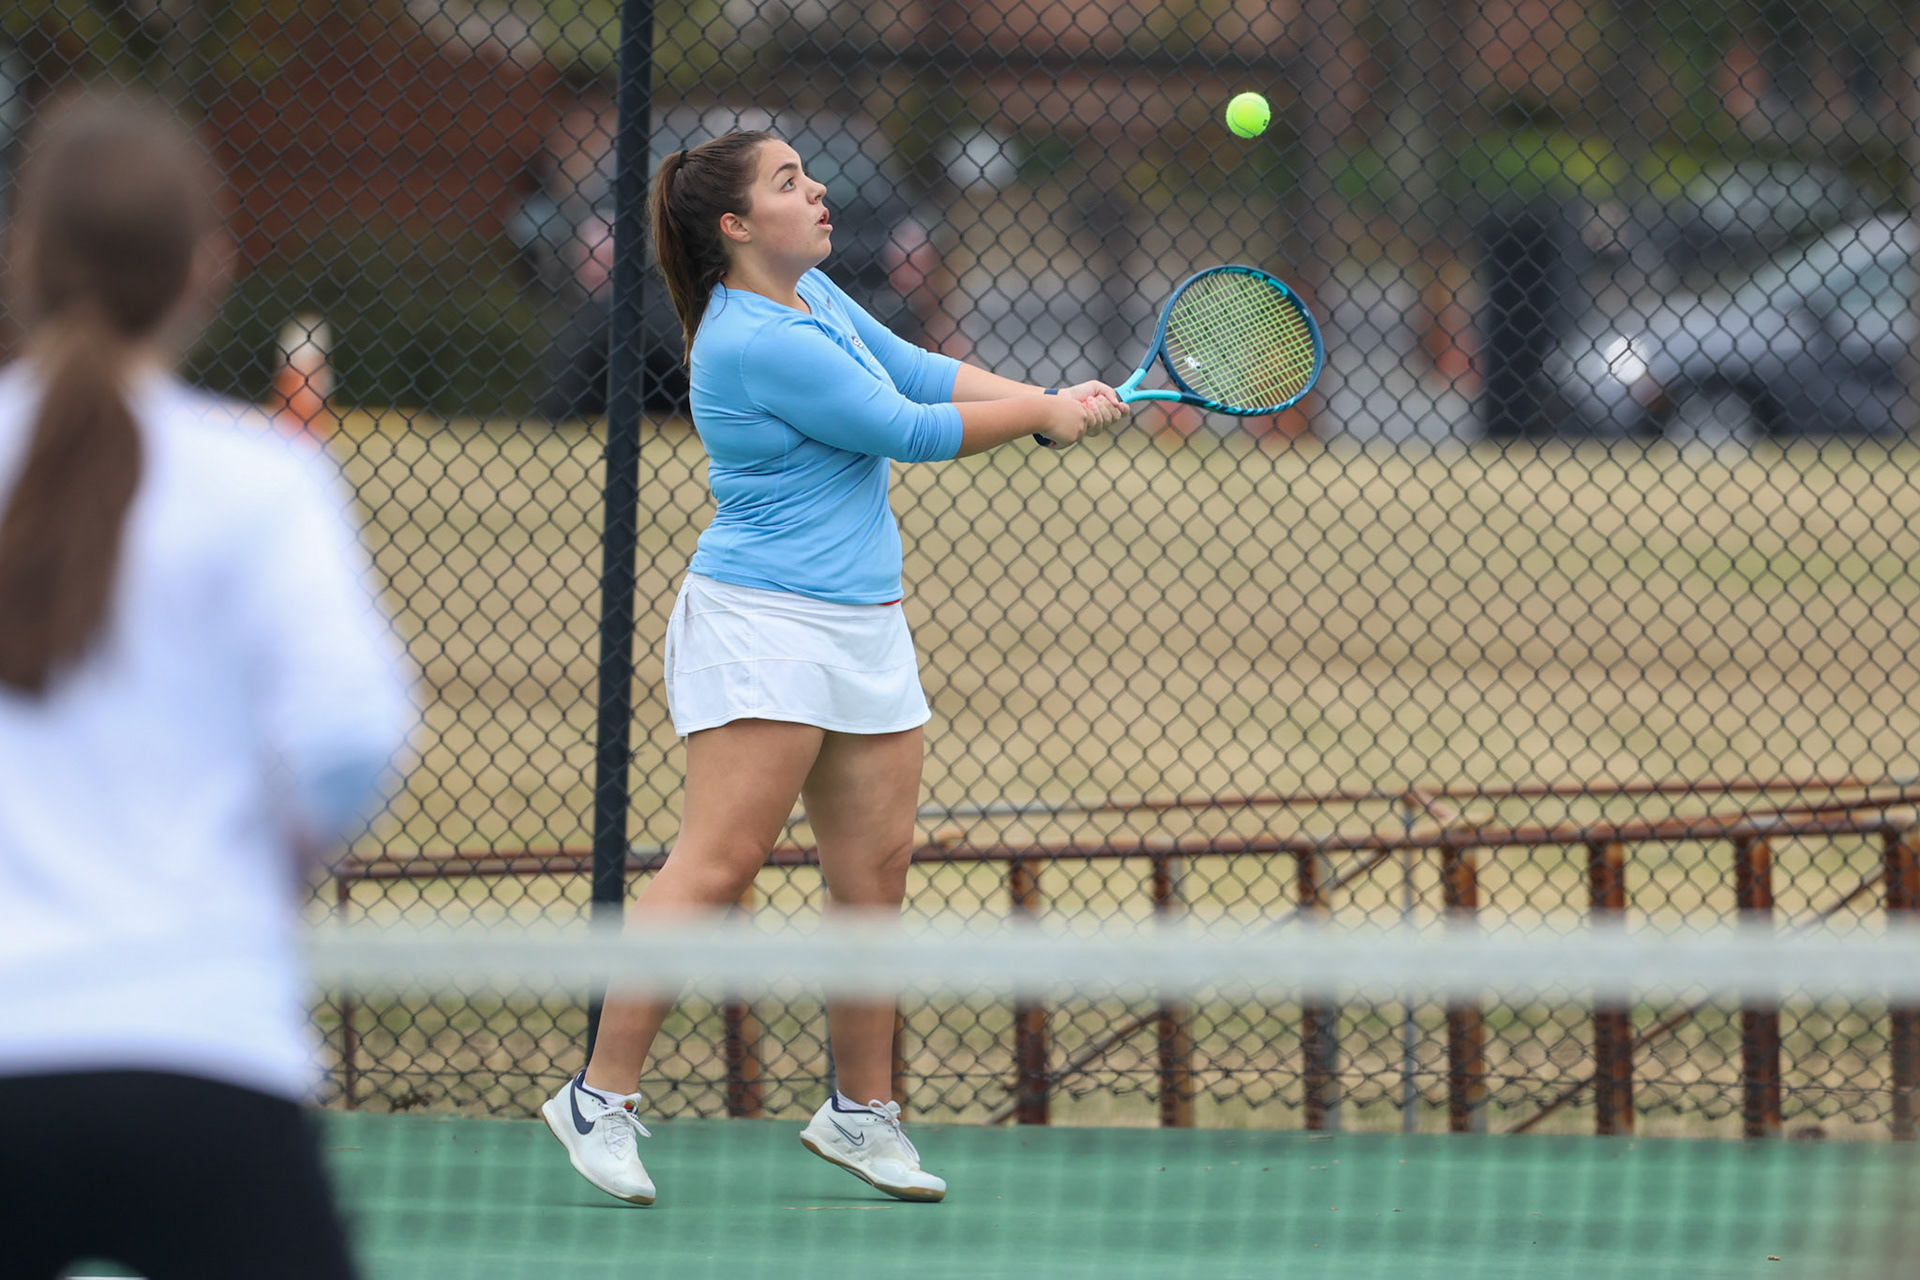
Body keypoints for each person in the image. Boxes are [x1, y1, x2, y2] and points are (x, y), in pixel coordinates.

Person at [541, 129, 1126, 1206]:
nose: (816, 193)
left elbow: (916, 367)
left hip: (864, 621)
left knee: (876, 871)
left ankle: (863, 1113)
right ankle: (599, 1096)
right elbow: (902, 426)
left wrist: (1047, 396)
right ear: (734, 226)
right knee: (717, 865)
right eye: (787, 182)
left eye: (806, 174)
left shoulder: (815, 298)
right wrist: (1042, 416)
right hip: (764, 623)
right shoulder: (753, 336)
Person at [0, 92, 411, 1278]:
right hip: (205, 1060)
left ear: (25, 259)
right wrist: (262, 857)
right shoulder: (265, 480)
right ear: (205, 271)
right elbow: (347, 738)